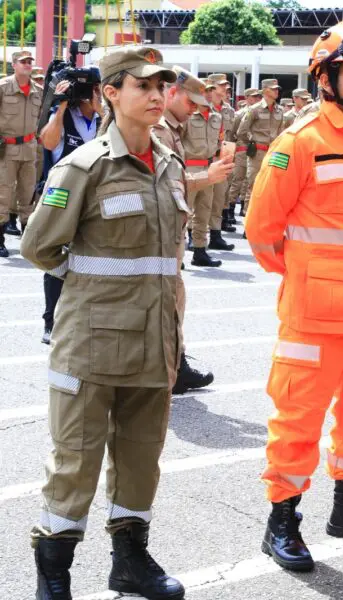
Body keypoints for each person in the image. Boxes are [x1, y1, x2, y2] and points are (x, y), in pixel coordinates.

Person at [22, 45, 186, 600]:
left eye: (162, 84)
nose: (158, 94)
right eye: (144, 85)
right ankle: (54, 575)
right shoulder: (83, 166)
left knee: (142, 461)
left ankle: (131, 563)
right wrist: (96, 286)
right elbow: (38, 246)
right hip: (92, 344)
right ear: (111, 94)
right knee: (75, 463)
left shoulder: (170, 163)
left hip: (154, 343)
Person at [246, 19, 343, 573]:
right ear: (326, 78)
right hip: (314, 314)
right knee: (298, 419)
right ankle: (281, 522)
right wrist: (310, 279)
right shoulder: (299, 141)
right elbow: (262, 232)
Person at [152, 65, 234, 393]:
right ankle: (172, 367)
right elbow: (163, 184)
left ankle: (173, 363)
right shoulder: (160, 130)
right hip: (161, 228)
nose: (195, 109)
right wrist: (207, 178)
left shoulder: (171, 128)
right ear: (173, 93)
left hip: (171, 226)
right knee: (169, 298)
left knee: (173, 296)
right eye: (191, 102)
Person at [37, 77, 103, 345]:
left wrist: (103, 112)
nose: (96, 94)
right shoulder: (63, 114)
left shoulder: (105, 119)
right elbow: (49, 143)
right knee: (55, 259)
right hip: (62, 194)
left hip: (94, 194)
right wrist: (61, 106)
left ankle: (85, 320)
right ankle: (50, 321)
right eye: (93, 90)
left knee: (93, 256)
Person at [0, 50, 43, 256]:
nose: (27, 64)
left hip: (29, 148)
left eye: (29, 61)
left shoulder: (37, 91)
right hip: (6, 148)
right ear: (14, 65)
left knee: (28, 193)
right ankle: (0, 239)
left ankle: (27, 239)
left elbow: (41, 121)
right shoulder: (3, 87)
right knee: (3, 194)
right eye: (23, 61)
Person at [181, 83, 225, 267]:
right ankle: (176, 255)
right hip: (190, 168)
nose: (208, 96)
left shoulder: (217, 117)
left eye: (210, 92)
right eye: (205, 92)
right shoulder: (187, 117)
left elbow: (220, 143)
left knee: (204, 212)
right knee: (183, 214)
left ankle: (200, 251)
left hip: (209, 168)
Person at [237, 78, 285, 217]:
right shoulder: (254, 109)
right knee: (254, 186)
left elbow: (281, 132)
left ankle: (267, 219)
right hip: (257, 153)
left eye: (277, 89)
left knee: (273, 187)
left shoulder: (279, 110)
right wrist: (253, 143)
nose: (277, 91)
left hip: (275, 153)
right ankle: (249, 220)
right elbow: (241, 131)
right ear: (265, 91)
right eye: (273, 88)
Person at [207, 73, 237, 237]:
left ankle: (216, 233)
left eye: (226, 84)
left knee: (219, 197)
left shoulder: (229, 110)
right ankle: (194, 235)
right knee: (202, 200)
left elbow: (231, 134)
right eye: (221, 84)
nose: (225, 87)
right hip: (205, 157)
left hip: (222, 157)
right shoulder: (202, 107)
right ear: (212, 86)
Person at [228, 87, 262, 217]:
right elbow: (234, 133)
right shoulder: (240, 114)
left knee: (250, 181)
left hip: (256, 151)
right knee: (238, 180)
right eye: (253, 97)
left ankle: (244, 207)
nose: (257, 99)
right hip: (242, 149)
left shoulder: (259, 112)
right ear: (247, 98)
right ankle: (229, 211)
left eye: (258, 97)